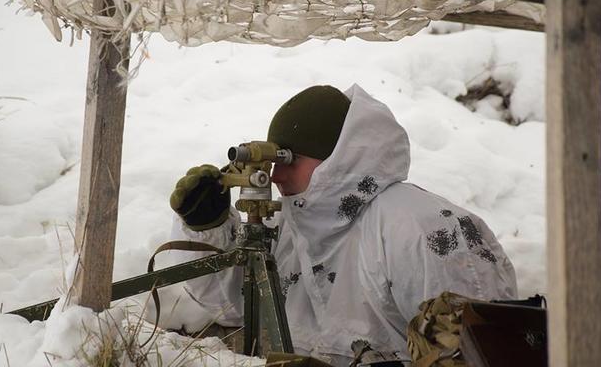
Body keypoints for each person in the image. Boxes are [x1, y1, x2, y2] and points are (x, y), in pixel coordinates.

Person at [168, 84, 517, 365]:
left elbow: (479, 349)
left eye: (288, 159)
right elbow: (234, 307)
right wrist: (205, 227)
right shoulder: (294, 224)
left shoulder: (418, 227)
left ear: (336, 158)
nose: (276, 176)